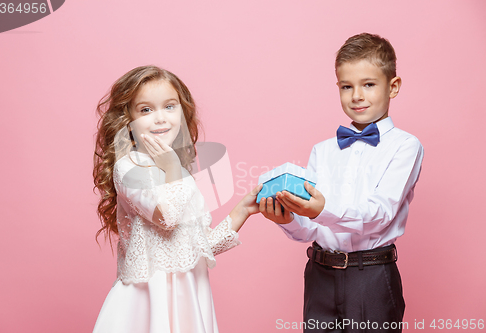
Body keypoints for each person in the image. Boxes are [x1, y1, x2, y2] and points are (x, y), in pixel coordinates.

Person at [260, 33, 424, 332]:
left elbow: (380, 214)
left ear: (394, 86)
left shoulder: (405, 146)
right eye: (347, 86)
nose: (356, 96)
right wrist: (287, 219)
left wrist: (322, 209)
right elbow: (312, 227)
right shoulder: (322, 150)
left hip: (371, 276)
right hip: (320, 275)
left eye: (368, 84)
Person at [92, 65, 261, 333]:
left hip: (187, 299)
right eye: (146, 110)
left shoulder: (180, 175)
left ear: (182, 114)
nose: (160, 118)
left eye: (169, 106)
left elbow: (194, 249)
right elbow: (167, 218)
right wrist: (172, 167)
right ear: (128, 122)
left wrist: (244, 210)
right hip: (149, 303)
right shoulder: (129, 167)